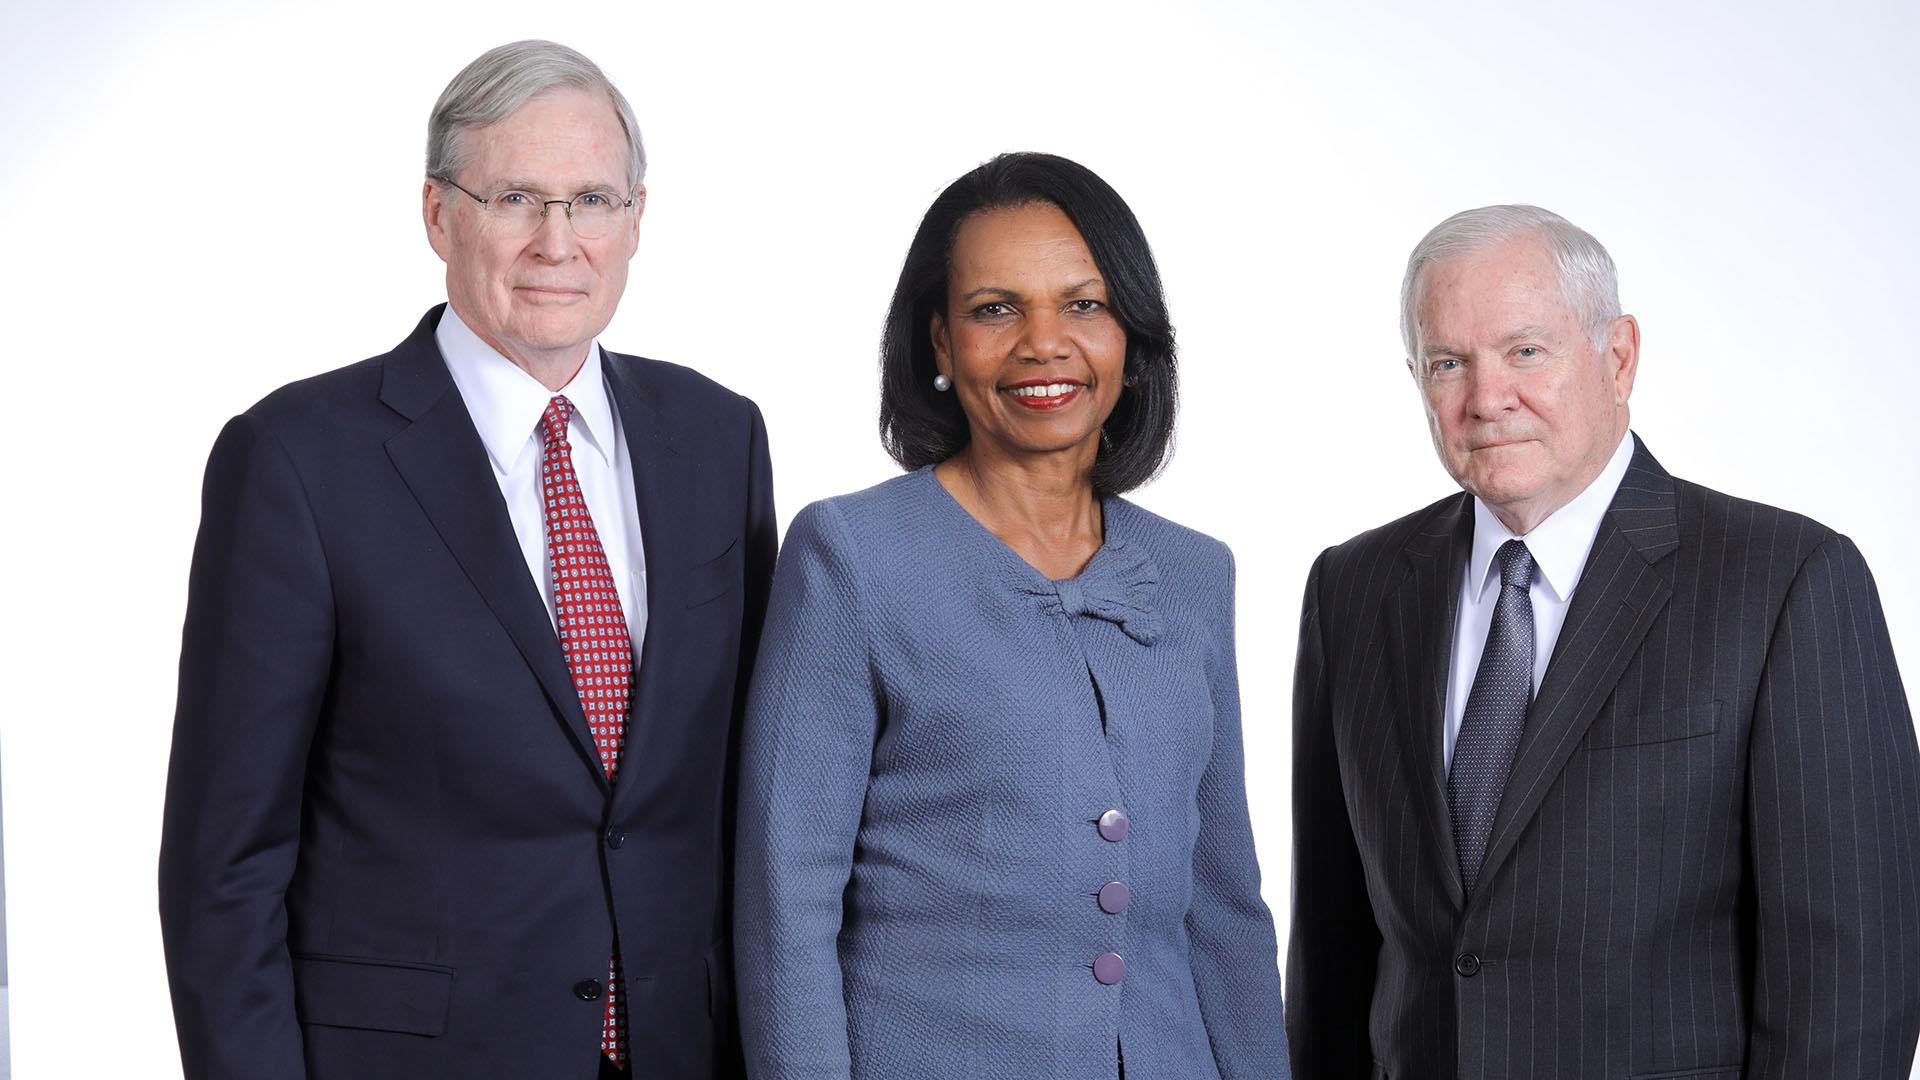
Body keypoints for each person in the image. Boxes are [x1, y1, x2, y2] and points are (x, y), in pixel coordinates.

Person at [158, 40, 774, 1080]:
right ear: (439, 215)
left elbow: (744, 791)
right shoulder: (298, 461)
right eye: (515, 199)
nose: (557, 241)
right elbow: (225, 864)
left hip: (684, 1046)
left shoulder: (719, 437)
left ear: (636, 220)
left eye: (591, 201)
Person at [1286, 204, 1920, 1079]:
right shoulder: (1351, 591)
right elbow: (1331, 955)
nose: (1487, 397)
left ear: (1617, 356)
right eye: (1448, 363)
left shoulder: (1786, 582)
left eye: (1525, 352)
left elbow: (1853, 988)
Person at [733, 152, 1290, 1079]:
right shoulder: (850, 556)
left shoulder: (1196, 573)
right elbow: (785, 904)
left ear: (1130, 339)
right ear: (942, 345)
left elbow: (1226, 904)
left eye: (1083, 305)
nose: (1045, 343)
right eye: (997, 309)